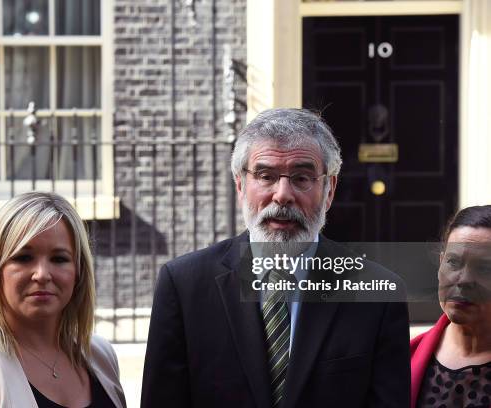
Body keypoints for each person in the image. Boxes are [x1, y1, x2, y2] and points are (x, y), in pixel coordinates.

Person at [141, 108, 410, 407]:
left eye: (302, 177)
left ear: (329, 189)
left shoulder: (379, 293)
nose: (283, 195)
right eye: (266, 176)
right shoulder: (183, 286)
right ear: (241, 185)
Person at [0, 192, 126, 408]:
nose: (42, 274)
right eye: (23, 258)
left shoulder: (100, 355)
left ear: (79, 271)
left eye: (59, 259)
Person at [410, 205, 491, 408]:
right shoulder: (405, 357)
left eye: (484, 268)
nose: (463, 280)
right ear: (440, 264)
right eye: (453, 262)